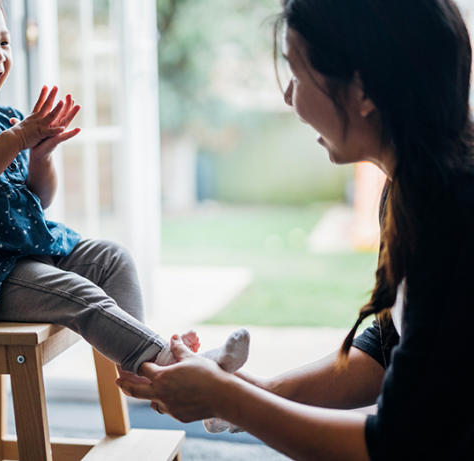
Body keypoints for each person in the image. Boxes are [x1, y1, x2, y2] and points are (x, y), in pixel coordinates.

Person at [119, 0, 474, 459]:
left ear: (362, 89)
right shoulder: (420, 184)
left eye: (297, 74)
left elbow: (402, 447)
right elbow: (391, 349)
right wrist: (259, 390)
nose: (289, 97)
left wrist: (228, 398)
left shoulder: (452, 213)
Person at [0, 0, 250, 418]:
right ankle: (176, 371)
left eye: (4, 42)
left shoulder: (6, 121)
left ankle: (144, 371)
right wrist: (19, 137)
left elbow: (37, 199)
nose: (0, 54)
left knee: (113, 259)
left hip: (20, 253)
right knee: (79, 296)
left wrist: (41, 157)